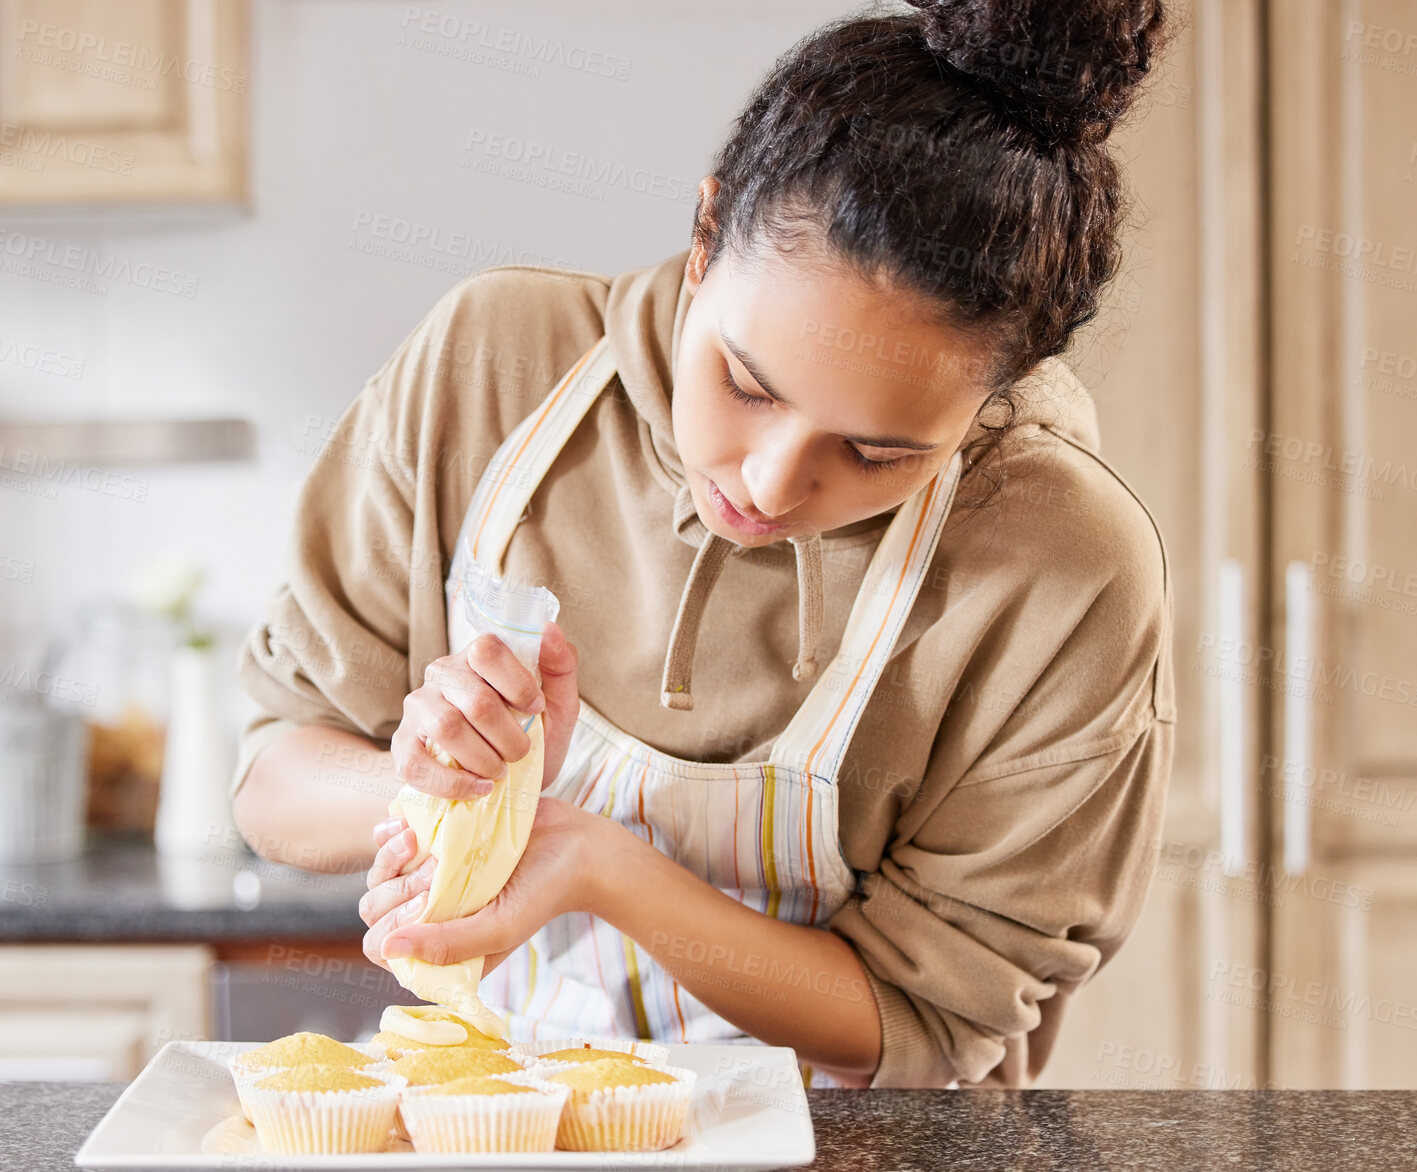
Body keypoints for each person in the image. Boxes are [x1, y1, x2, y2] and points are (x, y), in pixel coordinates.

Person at [231, 0, 1176, 1089]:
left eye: (876, 452)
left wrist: (602, 868)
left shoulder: (1060, 565)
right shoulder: (490, 366)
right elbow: (272, 778)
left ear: (992, 399)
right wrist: (442, 793)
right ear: (702, 239)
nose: (768, 485)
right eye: (746, 383)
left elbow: (931, 1025)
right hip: (506, 1133)